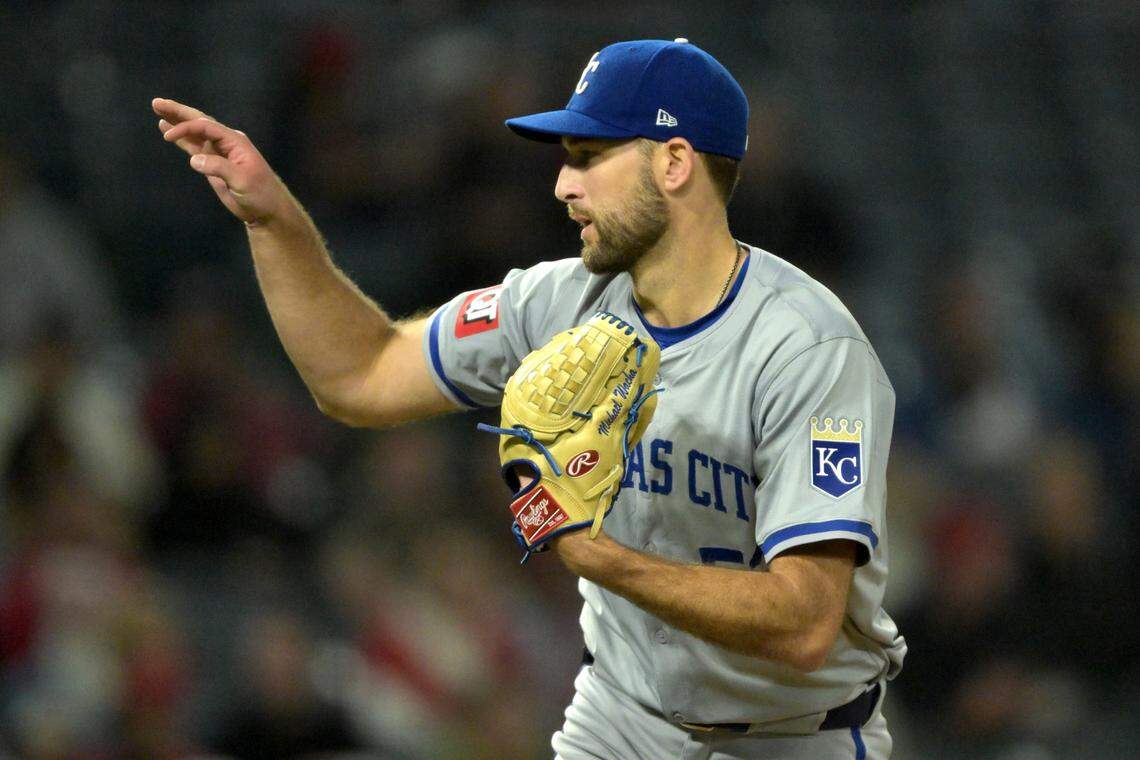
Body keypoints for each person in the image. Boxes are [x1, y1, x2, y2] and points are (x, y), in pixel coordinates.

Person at [155, 37, 904, 760]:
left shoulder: (806, 350)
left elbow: (807, 624)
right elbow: (362, 373)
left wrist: (592, 555)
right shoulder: (557, 302)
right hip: (624, 719)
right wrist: (275, 223)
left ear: (675, 163)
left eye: (589, 157)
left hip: (794, 734)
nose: (562, 185)